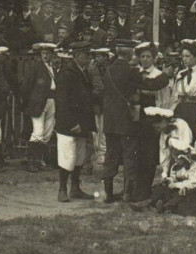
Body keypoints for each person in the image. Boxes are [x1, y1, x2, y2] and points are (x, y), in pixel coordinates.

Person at [102, 39, 168, 203]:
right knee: (130, 156)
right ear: (131, 53)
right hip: (127, 121)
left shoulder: (108, 69)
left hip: (111, 122)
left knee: (111, 156)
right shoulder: (131, 72)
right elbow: (153, 85)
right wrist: (168, 75)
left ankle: (109, 193)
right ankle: (127, 194)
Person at [54, 42, 97, 202]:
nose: (89, 58)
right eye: (87, 55)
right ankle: (62, 189)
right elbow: (62, 101)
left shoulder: (82, 72)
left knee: (79, 156)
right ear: (78, 55)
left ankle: (75, 188)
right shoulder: (67, 73)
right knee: (67, 156)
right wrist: (73, 122)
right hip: (69, 124)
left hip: (81, 122)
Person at [133, 42, 172, 202]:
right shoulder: (135, 73)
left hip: (152, 119)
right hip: (137, 117)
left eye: (148, 57)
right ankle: (135, 187)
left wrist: (161, 118)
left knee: (149, 155)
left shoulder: (158, 75)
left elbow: (164, 99)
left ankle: (146, 189)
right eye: (142, 57)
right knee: (137, 154)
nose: (145, 60)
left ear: (154, 58)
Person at [128, 137, 196, 214]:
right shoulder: (175, 167)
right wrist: (168, 180)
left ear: (184, 157)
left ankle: (166, 207)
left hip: (188, 188)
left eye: (177, 159)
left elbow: (193, 183)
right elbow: (173, 178)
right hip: (176, 186)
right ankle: (148, 204)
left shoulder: (194, 167)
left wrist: (176, 185)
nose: (175, 161)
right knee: (161, 189)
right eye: (174, 159)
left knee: (180, 196)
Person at [21, 43, 59, 173]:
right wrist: (27, 102)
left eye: (48, 53)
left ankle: (40, 161)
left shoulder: (53, 67)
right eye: (43, 53)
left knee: (47, 133)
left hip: (51, 100)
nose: (45, 56)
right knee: (37, 132)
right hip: (38, 102)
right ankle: (32, 162)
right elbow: (27, 85)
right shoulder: (35, 66)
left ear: (52, 55)